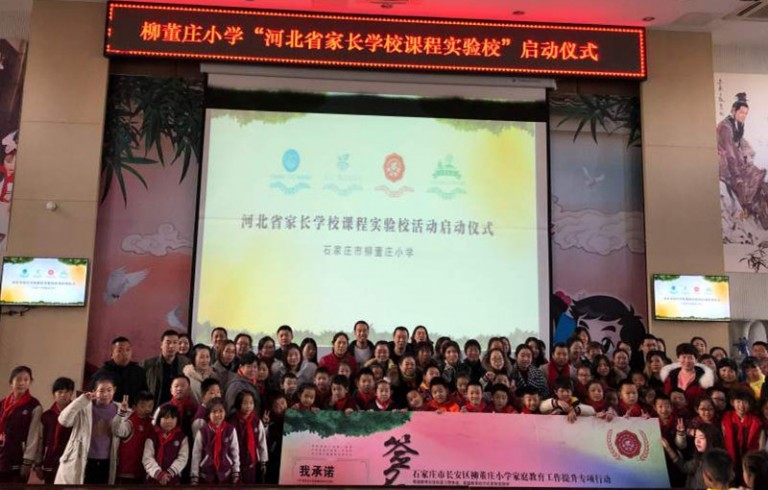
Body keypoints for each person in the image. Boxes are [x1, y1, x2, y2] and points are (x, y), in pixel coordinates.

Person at [55, 375, 121, 485]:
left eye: (109, 390)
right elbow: (64, 420)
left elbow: (124, 433)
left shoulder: (121, 409)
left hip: (107, 461)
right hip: (82, 459)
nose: (105, 394)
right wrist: (81, 401)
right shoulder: (84, 407)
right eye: (101, 390)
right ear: (94, 391)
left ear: (114, 390)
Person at [718, 92, 768, 229]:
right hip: (727, 166)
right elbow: (730, 154)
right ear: (733, 110)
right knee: (750, 183)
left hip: (736, 161)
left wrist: (748, 158)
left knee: (761, 181)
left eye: (746, 113)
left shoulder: (737, 125)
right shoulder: (725, 127)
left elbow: (742, 145)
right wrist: (739, 173)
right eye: (741, 112)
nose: (743, 116)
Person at [0, 366, 42, 483]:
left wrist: (27, 461)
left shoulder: (34, 406)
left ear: (30, 382)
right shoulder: (2, 404)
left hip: (18, 459)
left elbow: (34, 436)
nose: (22, 383)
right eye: (18, 379)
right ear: (11, 382)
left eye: (26, 380)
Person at [190, 398, 240, 484]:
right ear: (208, 414)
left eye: (221, 411)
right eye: (214, 412)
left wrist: (236, 470)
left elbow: (235, 452)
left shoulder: (230, 430)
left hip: (225, 473)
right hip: (206, 474)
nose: (217, 415)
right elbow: (196, 455)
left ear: (225, 412)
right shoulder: (202, 432)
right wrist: (194, 475)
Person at [662, 424, 725, 490]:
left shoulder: (716, 465)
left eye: (701, 438)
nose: (697, 441)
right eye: (696, 437)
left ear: (711, 440)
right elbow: (684, 467)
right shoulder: (699, 457)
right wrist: (668, 448)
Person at [36, 377, 75, 484]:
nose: (63, 395)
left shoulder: (76, 415)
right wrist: (38, 464)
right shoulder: (46, 416)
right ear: (54, 394)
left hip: (70, 461)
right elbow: (40, 440)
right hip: (50, 460)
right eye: (60, 392)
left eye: (67, 392)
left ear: (71, 393)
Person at [721, 390, 764, 485]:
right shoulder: (726, 418)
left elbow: (760, 445)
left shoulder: (756, 422)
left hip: (748, 460)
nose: (741, 405)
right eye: (738, 401)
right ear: (732, 402)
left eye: (745, 402)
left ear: (750, 404)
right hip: (730, 459)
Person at [113, 391, 155, 484]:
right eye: (143, 406)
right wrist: (121, 413)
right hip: (127, 472)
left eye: (150, 406)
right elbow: (117, 430)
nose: (147, 409)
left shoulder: (153, 423)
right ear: (134, 407)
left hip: (145, 472)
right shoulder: (130, 422)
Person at [93, 337, 149, 405]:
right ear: (112, 354)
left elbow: (144, 395)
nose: (125, 353)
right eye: (120, 351)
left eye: (128, 350)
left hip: (132, 409)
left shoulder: (139, 372)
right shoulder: (102, 373)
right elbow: (94, 396)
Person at [142, 404, 188, 485]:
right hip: (153, 479)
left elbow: (182, 458)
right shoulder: (152, 436)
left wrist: (169, 473)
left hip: (173, 479)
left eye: (172, 418)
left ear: (177, 420)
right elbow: (147, 458)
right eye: (165, 417)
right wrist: (159, 474)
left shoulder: (182, 438)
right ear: (159, 419)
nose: (169, 421)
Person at [144, 330, 191, 406]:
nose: (171, 346)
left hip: (179, 407)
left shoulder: (186, 363)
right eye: (168, 342)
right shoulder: (148, 364)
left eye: (175, 342)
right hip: (155, 406)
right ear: (161, 345)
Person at [229, 391, 267, 484]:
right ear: (239, 404)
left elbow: (262, 442)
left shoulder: (256, 421)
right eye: (245, 403)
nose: (248, 406)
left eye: (251, 403)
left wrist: (263, 461)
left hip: (252, 462)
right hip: (236, 463)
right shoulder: (232, 422)